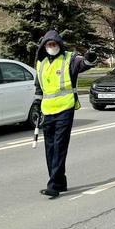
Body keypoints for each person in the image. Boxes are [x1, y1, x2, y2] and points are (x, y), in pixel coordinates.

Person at [35, 30, 97, 199]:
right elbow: (39, 86)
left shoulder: (69, 59)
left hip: (65, 109)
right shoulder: (41, 63)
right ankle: (60, 182)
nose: (51, 47)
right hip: (47, 111)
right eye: (48, 44)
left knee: (59, 147)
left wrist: (90, 58)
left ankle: (53, 185)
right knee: (50, 149)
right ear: (44, 46)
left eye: (54, 44)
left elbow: (83, 64)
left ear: (59, 44)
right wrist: (36, 103)